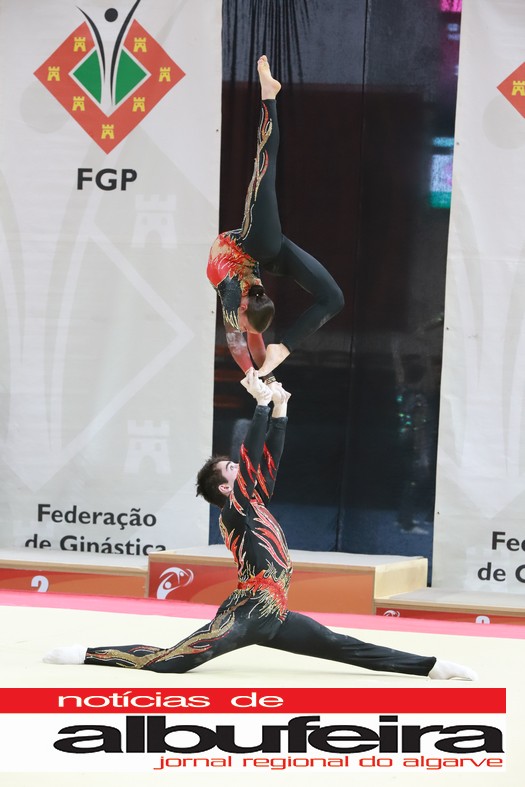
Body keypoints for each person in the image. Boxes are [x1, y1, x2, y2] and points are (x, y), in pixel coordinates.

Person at [43, 371, 476, 680]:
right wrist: (261, 405)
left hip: (274, 614)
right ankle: (86, 653)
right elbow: (253, 459)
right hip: (248, 611)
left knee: (341, 646)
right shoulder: (234, 510)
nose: (241, 467)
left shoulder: (253, 502)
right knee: (173, 661)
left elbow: (268, 461)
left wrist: (281, 409)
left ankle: (432, 667)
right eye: (232, 468)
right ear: (225, 487)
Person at [207, 56, 344, 380]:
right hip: (269, 250)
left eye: (245, 323)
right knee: (333, 299)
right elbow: (247, 338)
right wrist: (258, 377)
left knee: (265, 163)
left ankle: (269, 95)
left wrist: (256, 377)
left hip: (251, 244)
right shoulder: (248, 299)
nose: (244, 328)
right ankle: (269, 95)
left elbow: (239, 342)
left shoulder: (231, 293)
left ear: (242, 308)